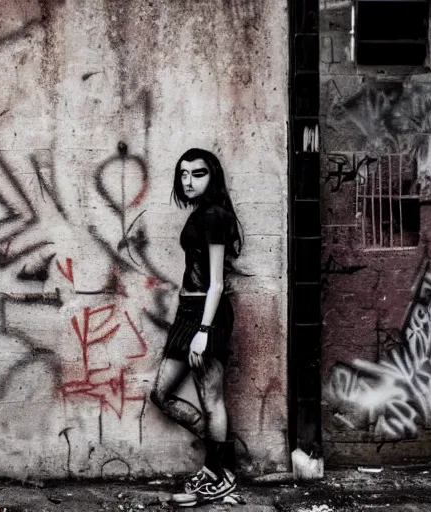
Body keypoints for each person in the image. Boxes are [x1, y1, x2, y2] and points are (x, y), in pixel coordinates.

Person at [149, 148, 243, 507]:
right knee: (161, 394)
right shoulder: (202, 213)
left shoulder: (216, 215)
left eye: (198, 174)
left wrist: (203, 331)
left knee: (211, 398)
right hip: (189, 311)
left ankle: (217, 474)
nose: (189, 181)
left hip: (208, 315)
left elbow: (217, 283)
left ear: (212, 176)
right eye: (184, 174)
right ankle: (220, 459)